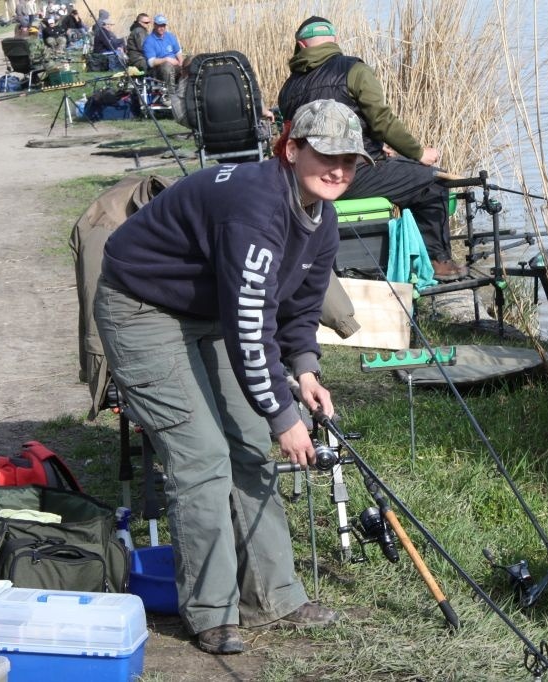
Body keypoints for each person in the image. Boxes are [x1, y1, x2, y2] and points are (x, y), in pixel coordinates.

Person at [93, 99, 368, 655]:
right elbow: (249, 329)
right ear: (292, 150)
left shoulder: (323, 218)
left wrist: (306, 370)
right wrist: (285, 416)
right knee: (201, 457)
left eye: (350, 159)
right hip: (141, 307)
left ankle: (274, 597)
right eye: (326, 155)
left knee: (247, 445)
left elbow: (296, 309)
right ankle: (211, 611)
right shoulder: (257, 209)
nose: (338, 169)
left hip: (207, 312)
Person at [278, 17, 467, 281]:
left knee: (408, 176)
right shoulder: (353, 70)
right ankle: (436, 261)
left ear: (300, 45)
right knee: (432, 182)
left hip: (308, 182)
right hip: (351, 174)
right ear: (335, 41)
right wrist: (418, 153)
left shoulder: (288, 88)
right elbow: (381, 120)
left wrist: (377, 147)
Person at [142, 14, 182, 95]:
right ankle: (171, 95)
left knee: (191, 62)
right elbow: (151, 62)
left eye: (163, 25)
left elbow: (178, 52)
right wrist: (167, 59)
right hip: (159, 69)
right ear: (155, 25)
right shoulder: (149, 41)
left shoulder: (170, 36)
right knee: (167, 65)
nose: (162, 28)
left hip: (175, 65)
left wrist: (181, 63)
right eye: (159, 25)